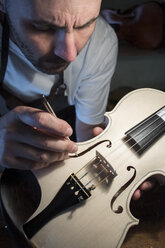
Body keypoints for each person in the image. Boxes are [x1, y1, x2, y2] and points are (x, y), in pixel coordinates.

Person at [0, 0, 154, 200]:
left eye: (85, 25)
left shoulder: (101, 41)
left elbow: (88, 136)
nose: (70, 54)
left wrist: (120, 167)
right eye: (44, 27)